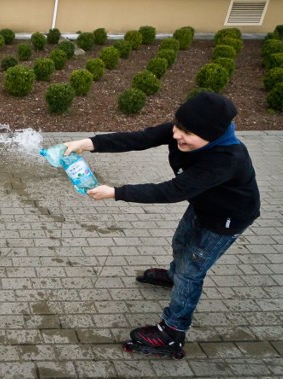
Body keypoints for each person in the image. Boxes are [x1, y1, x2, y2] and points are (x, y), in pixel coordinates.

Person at [63, 92, 260, 358]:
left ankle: (172, 333)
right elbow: (139, 138)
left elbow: (172, 191)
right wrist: (88, 143)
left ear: (211, 136)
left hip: (227, 218)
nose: (177, 134)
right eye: (177, 126)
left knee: (192, 271)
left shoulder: (227, 159)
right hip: (203, 203)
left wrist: (115, 192)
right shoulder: (184, 132)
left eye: (186, 133)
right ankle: (173, 275)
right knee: (180, 242)